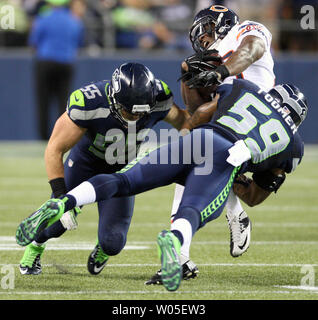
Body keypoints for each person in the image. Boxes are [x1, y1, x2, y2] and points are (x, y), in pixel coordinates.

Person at [16, 78, 307, 292]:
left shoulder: (246, 89)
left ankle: (67, 202)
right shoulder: (293, 144)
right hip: (224, 158)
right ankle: (176, 243)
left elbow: (202, 111)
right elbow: (255, 197)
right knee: (192, 210)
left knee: (124, 181)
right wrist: (239, 180)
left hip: (199, 138)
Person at [145, 4, 277, 285]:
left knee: (197, 152)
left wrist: (221, 72)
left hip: (262, 128)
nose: (201, 38)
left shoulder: (246, 32)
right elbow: (198, 111)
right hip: (231, 131)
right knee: (192, 153)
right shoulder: (210, 61)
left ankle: (231, 214)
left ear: (220, 24)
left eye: (204, 30)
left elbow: (251, 49)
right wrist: (197, 79)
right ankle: (181, 255)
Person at [16, 62, 190, 275]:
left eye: (140, 112)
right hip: (86, 163)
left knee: (113, 242)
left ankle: (103, 250)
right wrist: (61, 197)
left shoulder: (160, 99)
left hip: (120, 172)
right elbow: (54, 149)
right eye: (128, 110)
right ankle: (35, 247)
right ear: (115, 98)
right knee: (56, 221)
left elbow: (185, 123)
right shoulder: (90, 102)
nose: (134, 117)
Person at [29, 0, 85, 140]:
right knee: (63, 103)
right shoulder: (74, 21)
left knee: (43, 102)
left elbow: (33, 42)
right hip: (66, 63)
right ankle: (61, 137)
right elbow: (79, 43)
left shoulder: (43, 18)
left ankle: (43, 138)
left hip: (45, 62)